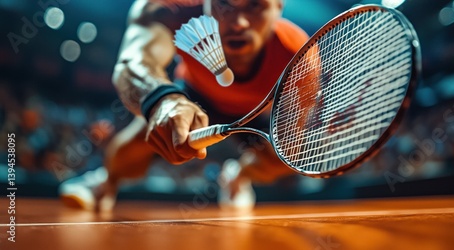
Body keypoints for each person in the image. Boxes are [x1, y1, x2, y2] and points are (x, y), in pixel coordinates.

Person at [59, 0, 309, 211]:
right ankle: (106, 182)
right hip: (193, 95)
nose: (238, 23)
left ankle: (238, 177)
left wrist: (284, 146)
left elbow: (292, 131)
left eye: (255, 5)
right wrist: (161, 101)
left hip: (254, 111)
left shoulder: (299, 54)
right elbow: (132, 63)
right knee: (130, 149)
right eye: (224, 3)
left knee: (285, 157)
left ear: (279, 6)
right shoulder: (173, 9)